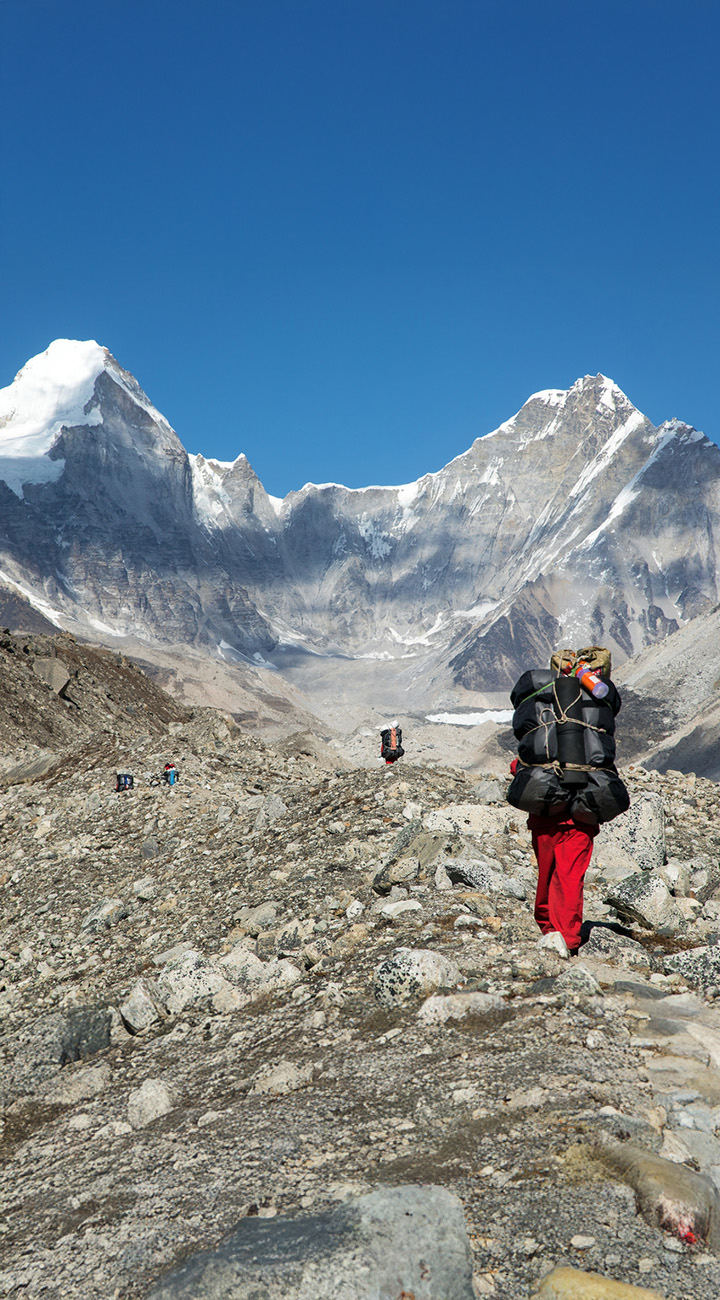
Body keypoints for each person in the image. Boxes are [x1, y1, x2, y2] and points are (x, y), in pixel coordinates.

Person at [506, 647, 629, 958]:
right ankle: (568, 938)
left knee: (546, 872)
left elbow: (524, 755)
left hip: (546, 804)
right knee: (570, 876)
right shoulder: (599, 708)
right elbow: (603, 755)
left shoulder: (541, 712)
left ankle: (547, 927)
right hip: (584, 809)